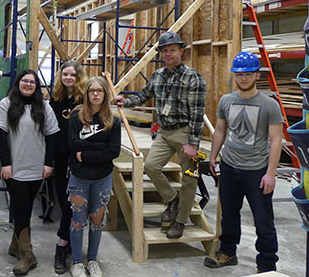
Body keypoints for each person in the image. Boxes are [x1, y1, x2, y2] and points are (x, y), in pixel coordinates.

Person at [115, 31, 206, 238]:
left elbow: (198, 114)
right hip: (164, 132)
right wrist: (125, 102)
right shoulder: (158, 75)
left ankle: (180, 222)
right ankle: (172, 199)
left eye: (172, 50)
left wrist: (193, 143)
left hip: (185, 132)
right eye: (164, 51)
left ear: (181, 51)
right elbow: (144, 96)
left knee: (190, 179)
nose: (168, 54)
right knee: (150, 166)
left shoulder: (193, 78)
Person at [204, 52, 283, 273]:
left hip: (257, 171)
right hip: (229, 167)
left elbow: (276, 140)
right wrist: (213, 156)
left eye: (248, 74)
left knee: (263, 220)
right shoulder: (226, 101)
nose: (243, 79)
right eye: (239, 75)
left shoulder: (269, 105)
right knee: (229, 215)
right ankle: (227, 252)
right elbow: (220, 130)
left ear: (258, 75)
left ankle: (267, 265)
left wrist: (271, 173)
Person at [0, 69, 60, 276]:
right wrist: (5, 163)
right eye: (25, 81)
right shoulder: (6, 104)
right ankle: (27, 254)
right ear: (18, 83)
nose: (28, 84)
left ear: (36, 85)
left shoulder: (44, 107)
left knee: (25, 207)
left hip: (37, 167)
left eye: (32, 82)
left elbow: (51, 136)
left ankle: (16, 246)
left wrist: (48, 163)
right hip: (14, 168)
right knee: (21, 210)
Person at [68, 77, 121, 277]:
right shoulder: (76, 118)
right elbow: (74, 145)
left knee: (97, 221)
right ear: (87, 94)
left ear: (105, 94)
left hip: (102, 177)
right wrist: (101, 148)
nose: (96, 94)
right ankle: (76, 262)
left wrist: (87, 153)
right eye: (92, 91)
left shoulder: (113, 122)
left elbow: (114, 151)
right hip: (79, 177)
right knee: (77, 221)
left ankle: (92, 260)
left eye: (100, 90)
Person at [49, 61, 87, 274]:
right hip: (61, 159)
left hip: (81, 159)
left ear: (78, 77)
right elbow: (51, 131)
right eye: (65, 74)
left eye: (73, 75)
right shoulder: (56, 99)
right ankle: (66, 243)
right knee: (65, 203)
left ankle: (65, 244)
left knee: (77, 204)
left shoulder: (85, 99)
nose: (69, 78)